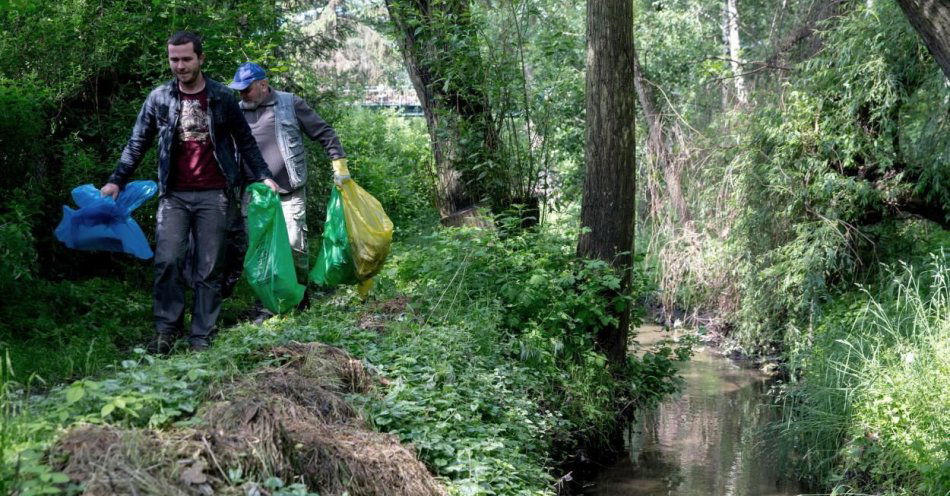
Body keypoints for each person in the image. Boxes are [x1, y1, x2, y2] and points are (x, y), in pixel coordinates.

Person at [100, 32, 278, 354]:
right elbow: (137, 141)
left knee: (209, 268)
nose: (180, 66)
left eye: (186, 59)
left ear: (200, 59)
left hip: (216, 194)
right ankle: (166, 331)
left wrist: (264, 176)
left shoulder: (223, 98)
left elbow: (245, 142)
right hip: (174, 196)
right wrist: (117, 180)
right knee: (168, 261)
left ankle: (201, 336)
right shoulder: (159, 98)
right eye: (174, 59)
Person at [224, 62, 349, 318]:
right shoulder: (236, 111)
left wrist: (340, 165)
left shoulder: (289, 104)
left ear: (263, 85)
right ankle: (268, 305)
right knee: (261, 252)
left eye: (246, 89)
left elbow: (323, 132)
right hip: (255, 194)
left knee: (295, 247)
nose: (242, 95)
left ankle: (299, 299)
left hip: (289, 190)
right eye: (238, 90)